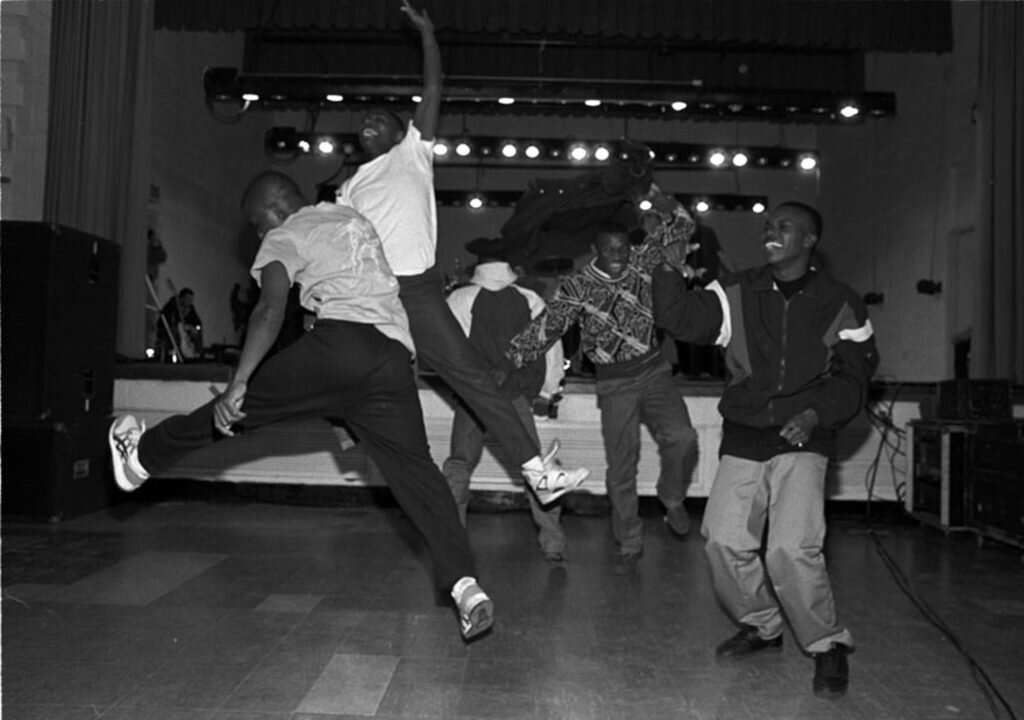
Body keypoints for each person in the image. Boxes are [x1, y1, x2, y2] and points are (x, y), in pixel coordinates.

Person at [108, 171, 493, 641]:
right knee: (419, 474)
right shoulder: (352, 219)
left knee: (235, 409)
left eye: (257, 226)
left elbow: (269, 309)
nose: (259, 237)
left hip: (341, 344)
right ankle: (465, 584)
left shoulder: (285, 234)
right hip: (394, 360)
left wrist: (238, 382)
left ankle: (141, 457)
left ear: (272, 212)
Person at [335, 0, 588, 504]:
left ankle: (540, 474)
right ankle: (343, 421)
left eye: (380, 117)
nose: (368, 119)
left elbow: (432, 89)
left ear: (401, 133)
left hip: (419, 292)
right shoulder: (349, 188)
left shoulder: (412, 153)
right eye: (364, 117)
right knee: (347, 360)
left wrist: (427, 36)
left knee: (475, 382)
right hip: (374, 292)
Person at [652, 201, 879, 698]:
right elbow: (681, 320)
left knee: (790, 548)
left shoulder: (839, 300)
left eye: (784, 226)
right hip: (747, 431)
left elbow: (856, 374)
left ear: (810, 239)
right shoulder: (736, 290)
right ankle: (762, 624)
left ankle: (827, 644)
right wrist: (668, 270)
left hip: (806, 434)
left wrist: (816, 414)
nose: (770, 232)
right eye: (768, 226)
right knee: (723, 540)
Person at [507, 188, 700, 576]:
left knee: (683, 438)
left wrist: (662, 200)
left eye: (623, 249)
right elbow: (548, 327)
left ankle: (671, 496)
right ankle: (629, 539)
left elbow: (683, 225)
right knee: (622, 465)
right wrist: (509, 357)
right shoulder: (578, 285)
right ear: (595, 250)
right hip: (614, 384)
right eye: (610, 250)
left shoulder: (643, 259)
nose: (618, 256)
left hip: (654, 370)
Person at [443, 237, 569, 564]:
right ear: (510, 265)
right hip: (513, 395)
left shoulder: (458, 299)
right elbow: (551, 349)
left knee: (459, 463)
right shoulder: (530, 299)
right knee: (535, 465)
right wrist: (548, 391)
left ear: (478, 264)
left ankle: (451, 538)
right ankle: (552, 540)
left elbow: (446, 352)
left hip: (473, 396)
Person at [158, 287, 203, 360]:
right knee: (175, 330)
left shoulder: (191, 308)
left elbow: (197, 322)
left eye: (191, 299)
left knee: (197, 332)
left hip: (185, 332)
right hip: (171, 329)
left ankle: (197, 353)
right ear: (181, 298)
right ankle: (173, 352)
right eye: (188, 299)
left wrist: (194, 328)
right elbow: (166, 318)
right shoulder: (172, 305)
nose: (190, 302)